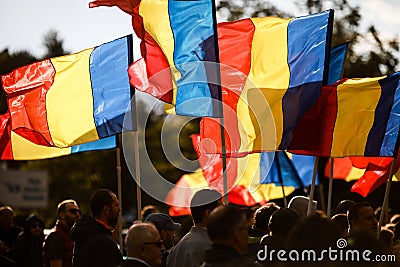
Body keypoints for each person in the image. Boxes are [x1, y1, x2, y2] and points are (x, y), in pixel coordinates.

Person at [167, 189, 222, 267]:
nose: (224, 217)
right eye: (221, 212)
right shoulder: (208, 247)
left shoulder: (177, 248)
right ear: (208, 214)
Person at [71, 189, 123, 267]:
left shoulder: (85, 233)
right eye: (116, 205)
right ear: (106, 209)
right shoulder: (104, 241)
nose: (119, 209)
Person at [44, 199, 81, 267]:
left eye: (79, 212)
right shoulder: (56, 237)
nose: (77, 215)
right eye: (73, 212)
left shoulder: (74, 236)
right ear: (62, 215)